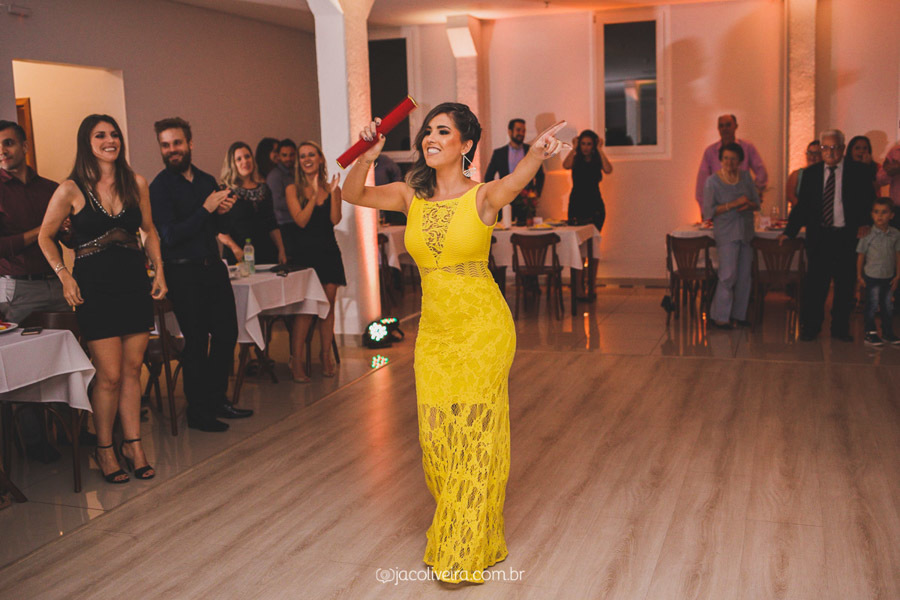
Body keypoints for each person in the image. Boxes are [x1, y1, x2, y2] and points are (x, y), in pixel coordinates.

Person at [342, 102, 569, 584]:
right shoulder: (409, 195)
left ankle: (460, 546)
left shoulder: (483, 196)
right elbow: (353, 193)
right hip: (437, 335)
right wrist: (369, 152)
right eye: (428, 130)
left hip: (483, 329)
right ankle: (476, 528)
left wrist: (537, 152)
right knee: (437, 439)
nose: (431, 137)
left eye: (443, 131)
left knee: (474, 436)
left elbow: (519, 178)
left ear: (466, 145)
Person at [38, 114, 167, 484]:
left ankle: (134, 445)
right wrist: (63, 275)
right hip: (94, 288)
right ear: (87, 142)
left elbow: (149, 229)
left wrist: (160, 269)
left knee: (132, 369)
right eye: (100, 135)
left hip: (132, 284)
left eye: (114, 134)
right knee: (108, 375)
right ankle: (104, 448)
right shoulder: (70, 189)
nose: (109, 140)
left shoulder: (135, 182)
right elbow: (46, 236)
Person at [149, 117, 253, 432]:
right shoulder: (160, 187)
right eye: (165, 145)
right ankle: (198, 411)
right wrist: (206, 209)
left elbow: (217, 230)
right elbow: (169, 236)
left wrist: (224, 212)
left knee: (226, 335)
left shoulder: (208, 181)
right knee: (195, 341)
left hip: (213, 268)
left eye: (177, 143)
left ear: (190, 144)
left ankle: (218, 399)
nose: (172, 150)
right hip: (183, 273)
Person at [0, 119, 70, 463]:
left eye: (9, 143)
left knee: (65, 358)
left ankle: (73, 429)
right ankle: (35, 443)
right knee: (26, 368)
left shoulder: (51, 189)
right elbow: (3, 246)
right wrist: (41, 231)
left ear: (25, 146)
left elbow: (67, 238)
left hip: (56, 283)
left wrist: (67, 229)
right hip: (20, 290)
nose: (2, 151)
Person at [779, 129, 876, 342]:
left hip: (846, 236)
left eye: (834, 148)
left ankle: (840, 328)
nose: (829, 153)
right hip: (820, 236)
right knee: (816, 284)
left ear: (842, 149)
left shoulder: (858, 171)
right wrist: (789, 231)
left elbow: (868, 200)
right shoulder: (812, 174)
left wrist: (865, 223)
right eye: (825, 148)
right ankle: (811, 327)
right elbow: (802, 206)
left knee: (844, 284)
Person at [282, 141, 344, 381]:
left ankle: (325, 355)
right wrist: (314, 194)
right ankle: (295, 361)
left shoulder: (331, 188)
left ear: (320, 159)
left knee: (328, 306)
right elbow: (301, 221)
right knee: (306, 309)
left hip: (329, 252)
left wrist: (334, 194)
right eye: (302, 156)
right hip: (305, 256)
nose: (307, 159)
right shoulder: (292, 189)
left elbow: (335, 220)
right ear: (299, 162)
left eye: (311, 155)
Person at [702, 143, 760, 329]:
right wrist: (733, 204)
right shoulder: (712, 181)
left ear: (740, 161)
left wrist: (747, 205)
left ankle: (739, 315)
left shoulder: (745, 177)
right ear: (720, 160)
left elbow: (756, 203)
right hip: (726, 232)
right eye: (726, 158)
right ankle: (720, 316)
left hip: (746, 231)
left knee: (744, 276)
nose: (729, 162)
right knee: (727, 275)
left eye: (734, 159)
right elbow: (708, 212)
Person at [217, 141, 286, 265]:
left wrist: (281, 250)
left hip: (266, 254)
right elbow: (219, 229)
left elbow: (272, 224)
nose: (245, 161)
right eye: (239, 159)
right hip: (239, 256)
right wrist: (234, 248)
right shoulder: (225, 192)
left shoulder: (264, 189)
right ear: (232, 164)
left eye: (247, 156)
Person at [695, 114, 768, 215]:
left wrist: (754, 193)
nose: (725, 129)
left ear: (736, 126)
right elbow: (702, 183)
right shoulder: (710, 151)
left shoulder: (747, 147)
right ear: (718, 128)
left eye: (728, 125)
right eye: (721, 126)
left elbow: (761, 172)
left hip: (742, 206)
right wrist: (705, 210)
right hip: (720, 208)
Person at [856, 198, 900, 346]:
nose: (879, 216)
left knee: (888, 306)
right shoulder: (867, 234)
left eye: (884, 212)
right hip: (872, 276)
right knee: (872, 305)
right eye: (876, 212)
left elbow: (897, 254)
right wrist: (859, 275)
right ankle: (870, 332)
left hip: (888, 276)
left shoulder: (895, 234)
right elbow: (861, 255)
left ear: (892, 215)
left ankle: (887, 332)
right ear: (871, 214)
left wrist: (898, 274)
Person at [484, 118, 545, 223]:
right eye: (518, 130)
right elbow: (488, 177)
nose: (521, 133)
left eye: (523, 130)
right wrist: (494, 195)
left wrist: (536, 194)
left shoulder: (531, 151)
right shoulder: (499, 153)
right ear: (510, 131)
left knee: (526, 235)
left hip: (526, 202)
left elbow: (540, 175)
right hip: (504, 201)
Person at [562, 129, 612, 231]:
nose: (586, 147)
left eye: (589, 144)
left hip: (594, 202)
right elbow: (566, 165)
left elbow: (608, 169)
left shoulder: (597, 160)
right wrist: (574, 148)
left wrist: (599, 149)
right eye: (583, 144)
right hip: (577, 202)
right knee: (576, 237)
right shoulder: (576, 159)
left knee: (593, 238)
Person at [266, 138, 297, 249]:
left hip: (296, 223)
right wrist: (299, 202)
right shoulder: (275, 176)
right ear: (278, 156)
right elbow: (276, 202)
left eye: (291, 155)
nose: (288, 158)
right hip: (284, 226)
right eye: (284, 155)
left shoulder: (296, 173)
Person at [786, 140, 822, 209]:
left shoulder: (826, 175)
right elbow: (790, 196)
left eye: (816, 153)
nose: (812, 157)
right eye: (809, 153)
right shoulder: (796, 174)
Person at [373, 154, 406, 225]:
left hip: (383, 198)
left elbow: (397, 174)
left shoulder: (384, 160)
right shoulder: (359, 161)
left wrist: (395, 188)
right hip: (366, 203)